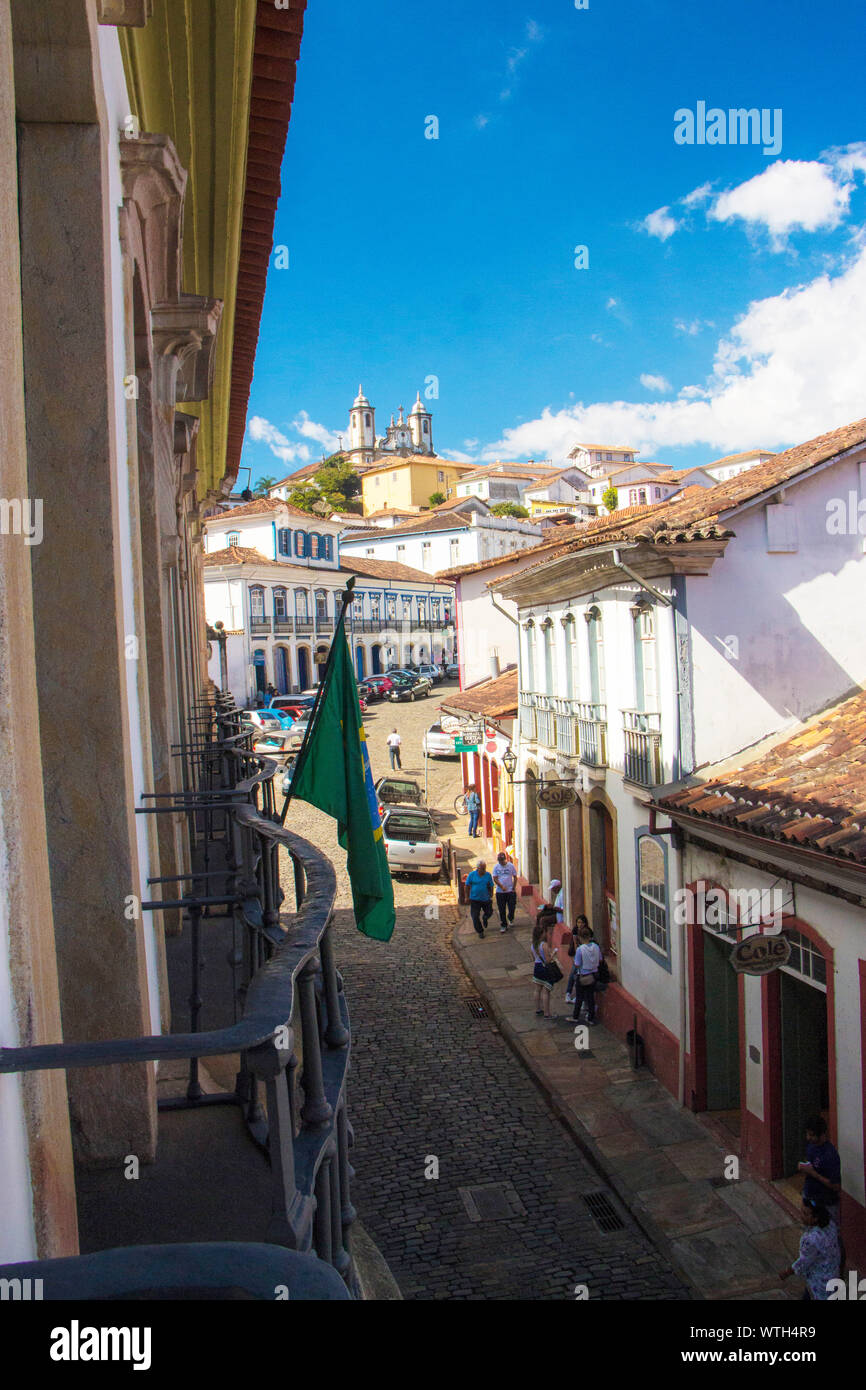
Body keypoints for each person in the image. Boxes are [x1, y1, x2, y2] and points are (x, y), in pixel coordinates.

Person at [779, 1198, 841, 1299]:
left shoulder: (811, 1239)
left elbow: (803, 1262)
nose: (801, 1216)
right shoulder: (831, 1225)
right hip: (832, 1274)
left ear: (815, 1218)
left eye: (805, 1214)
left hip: (819, 1281)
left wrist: (787, 1272)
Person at [799, 1115, 841, 1222]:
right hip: (810, 1197)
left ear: (822, 1135)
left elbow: (836, 1186)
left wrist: (813, 1174)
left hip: (825, 1204)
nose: (808, 1138)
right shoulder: (811, 1147)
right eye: (807, 1134)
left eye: (812, 1135)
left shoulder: (830, 1155)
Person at [571, 925, 602, 1026]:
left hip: (583, 976)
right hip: (594, 975)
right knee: (591, 997)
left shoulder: (580, 949)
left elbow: (577, 964)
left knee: (579, 997)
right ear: (590, 936)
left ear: (580, 937)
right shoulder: (596, 947)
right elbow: (600, 959)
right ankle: (591, 1018)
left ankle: (575, 1016)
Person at [531, 914, 560, 1019]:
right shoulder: (544, 945)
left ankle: (538, 1009)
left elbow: (534, 958)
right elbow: (548, 960)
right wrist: (553, 954)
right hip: (544, 968)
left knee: (537, 989)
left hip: (537, 967)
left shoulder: (533, 945)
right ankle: (547, 1013)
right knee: (546, 991)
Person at [464, 859, 494, 938]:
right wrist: (466, 897)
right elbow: (467, 886)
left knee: (490, 912)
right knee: (475, 916)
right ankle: (480, 931)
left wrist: (491, 893)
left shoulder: (488, 875)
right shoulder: (472, 875)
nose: (484, 870)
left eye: (485, 868)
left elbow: (491, 885)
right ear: (478, 868)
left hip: (486, 899)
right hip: (475, 899)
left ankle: (485, 918)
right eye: (482, 869)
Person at [565, 914, 589, 1004]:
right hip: (579, 954)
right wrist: (576, 955)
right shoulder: (575, 930)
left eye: (582, 922)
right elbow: (575, 943)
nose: (580, 924)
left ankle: (577, 997)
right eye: (578, 922)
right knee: (573, 973)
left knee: (578, 976)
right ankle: (569, 993)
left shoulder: (588, 931)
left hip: (584, 955)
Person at [492, 851, 518, 932]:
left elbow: (515, 877)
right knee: (501, 909)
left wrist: (513, 887)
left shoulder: (511, 866)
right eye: (500, 861)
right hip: (500, 892)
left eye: (502, 860)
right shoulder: (496, 867)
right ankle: (503, 924)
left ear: (505, 859)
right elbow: (495, 878)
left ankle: (510, 917)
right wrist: (501, 886)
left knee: (512, 907)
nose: (501, 862)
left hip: (510, 891)